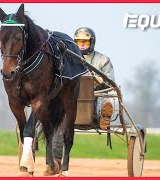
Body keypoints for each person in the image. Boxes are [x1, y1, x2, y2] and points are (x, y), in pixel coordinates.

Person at [51, 27, 115, 176]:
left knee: (103, 99)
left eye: (85, 41)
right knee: (60, 120)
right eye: (78, 41)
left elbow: (110, 82)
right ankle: (56, 160)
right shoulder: (68, 59)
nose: (81, 44)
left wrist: (93, 81)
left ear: (91, 43)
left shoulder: (103, 60)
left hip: (95, 95)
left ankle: (104, 116)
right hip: (70, 99)